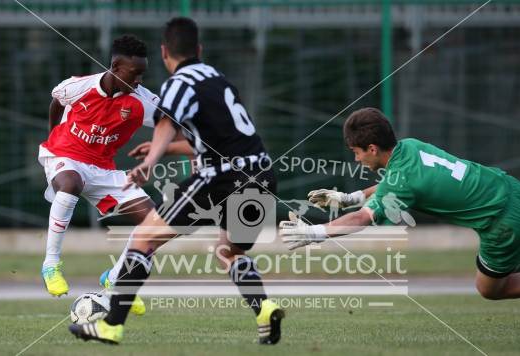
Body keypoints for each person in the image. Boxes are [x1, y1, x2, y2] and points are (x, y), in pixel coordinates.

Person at [69, 17, 284, 345]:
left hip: (221, 178)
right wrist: (167, 150)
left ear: (164, 51)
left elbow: (166, 122)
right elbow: (218, 137)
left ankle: (111, 325)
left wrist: (152, 160)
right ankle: (265, 308)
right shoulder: (218, 79)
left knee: (143, 238)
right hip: (263, 176)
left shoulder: (179, 83)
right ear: (199, 49)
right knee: (229, 251)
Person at [281, 107, 520, 302]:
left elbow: (362, 218)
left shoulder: (402, 181)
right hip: (510, 189)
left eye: (357, 152)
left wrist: (314, 232)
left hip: (501, 224)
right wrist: (349, 198)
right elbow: (394, 184)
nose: (356, 159)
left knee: (490, 289)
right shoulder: (410, 146)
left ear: (372, 148)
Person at [39, 34, 164, 315]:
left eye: (142, 74)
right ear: (116, 66)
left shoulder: (142, 101)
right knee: (69, 183)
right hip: (64, 155)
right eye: (134, 74)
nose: (138, 81)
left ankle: (117, 279)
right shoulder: (78, 86)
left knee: (155, 223)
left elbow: (169, 123)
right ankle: (51, 264)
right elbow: (57, 101)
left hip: (102, 169)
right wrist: (53, 137)